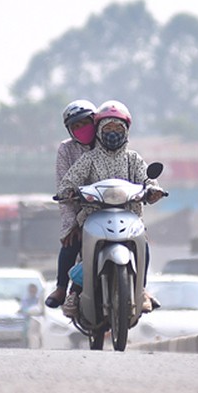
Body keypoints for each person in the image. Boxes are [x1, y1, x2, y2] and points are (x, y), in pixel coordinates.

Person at [57, 100, 164, 317]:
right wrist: (68, 191)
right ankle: (73, 291)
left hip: (130, 215)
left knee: (143, 244)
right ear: (100, 131)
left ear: (126, 131)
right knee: (84, 251)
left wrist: (153, 189)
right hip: (93, 215)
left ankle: (141, 290)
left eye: (118, 129)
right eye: (108, 129)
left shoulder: (133, 158)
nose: (113, 133)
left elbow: (147, 179)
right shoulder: (89, 158)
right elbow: (69, 180)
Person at [45, 100, 97, 308]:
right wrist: (70, 224)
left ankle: (141, 288)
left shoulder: (110, 143)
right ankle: (61, 288)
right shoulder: (66, 150)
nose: (81, 129)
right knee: (70, 243)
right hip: (81, 212)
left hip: (114, 209)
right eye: (75, 126)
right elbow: (62, 189)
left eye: (85, 123)